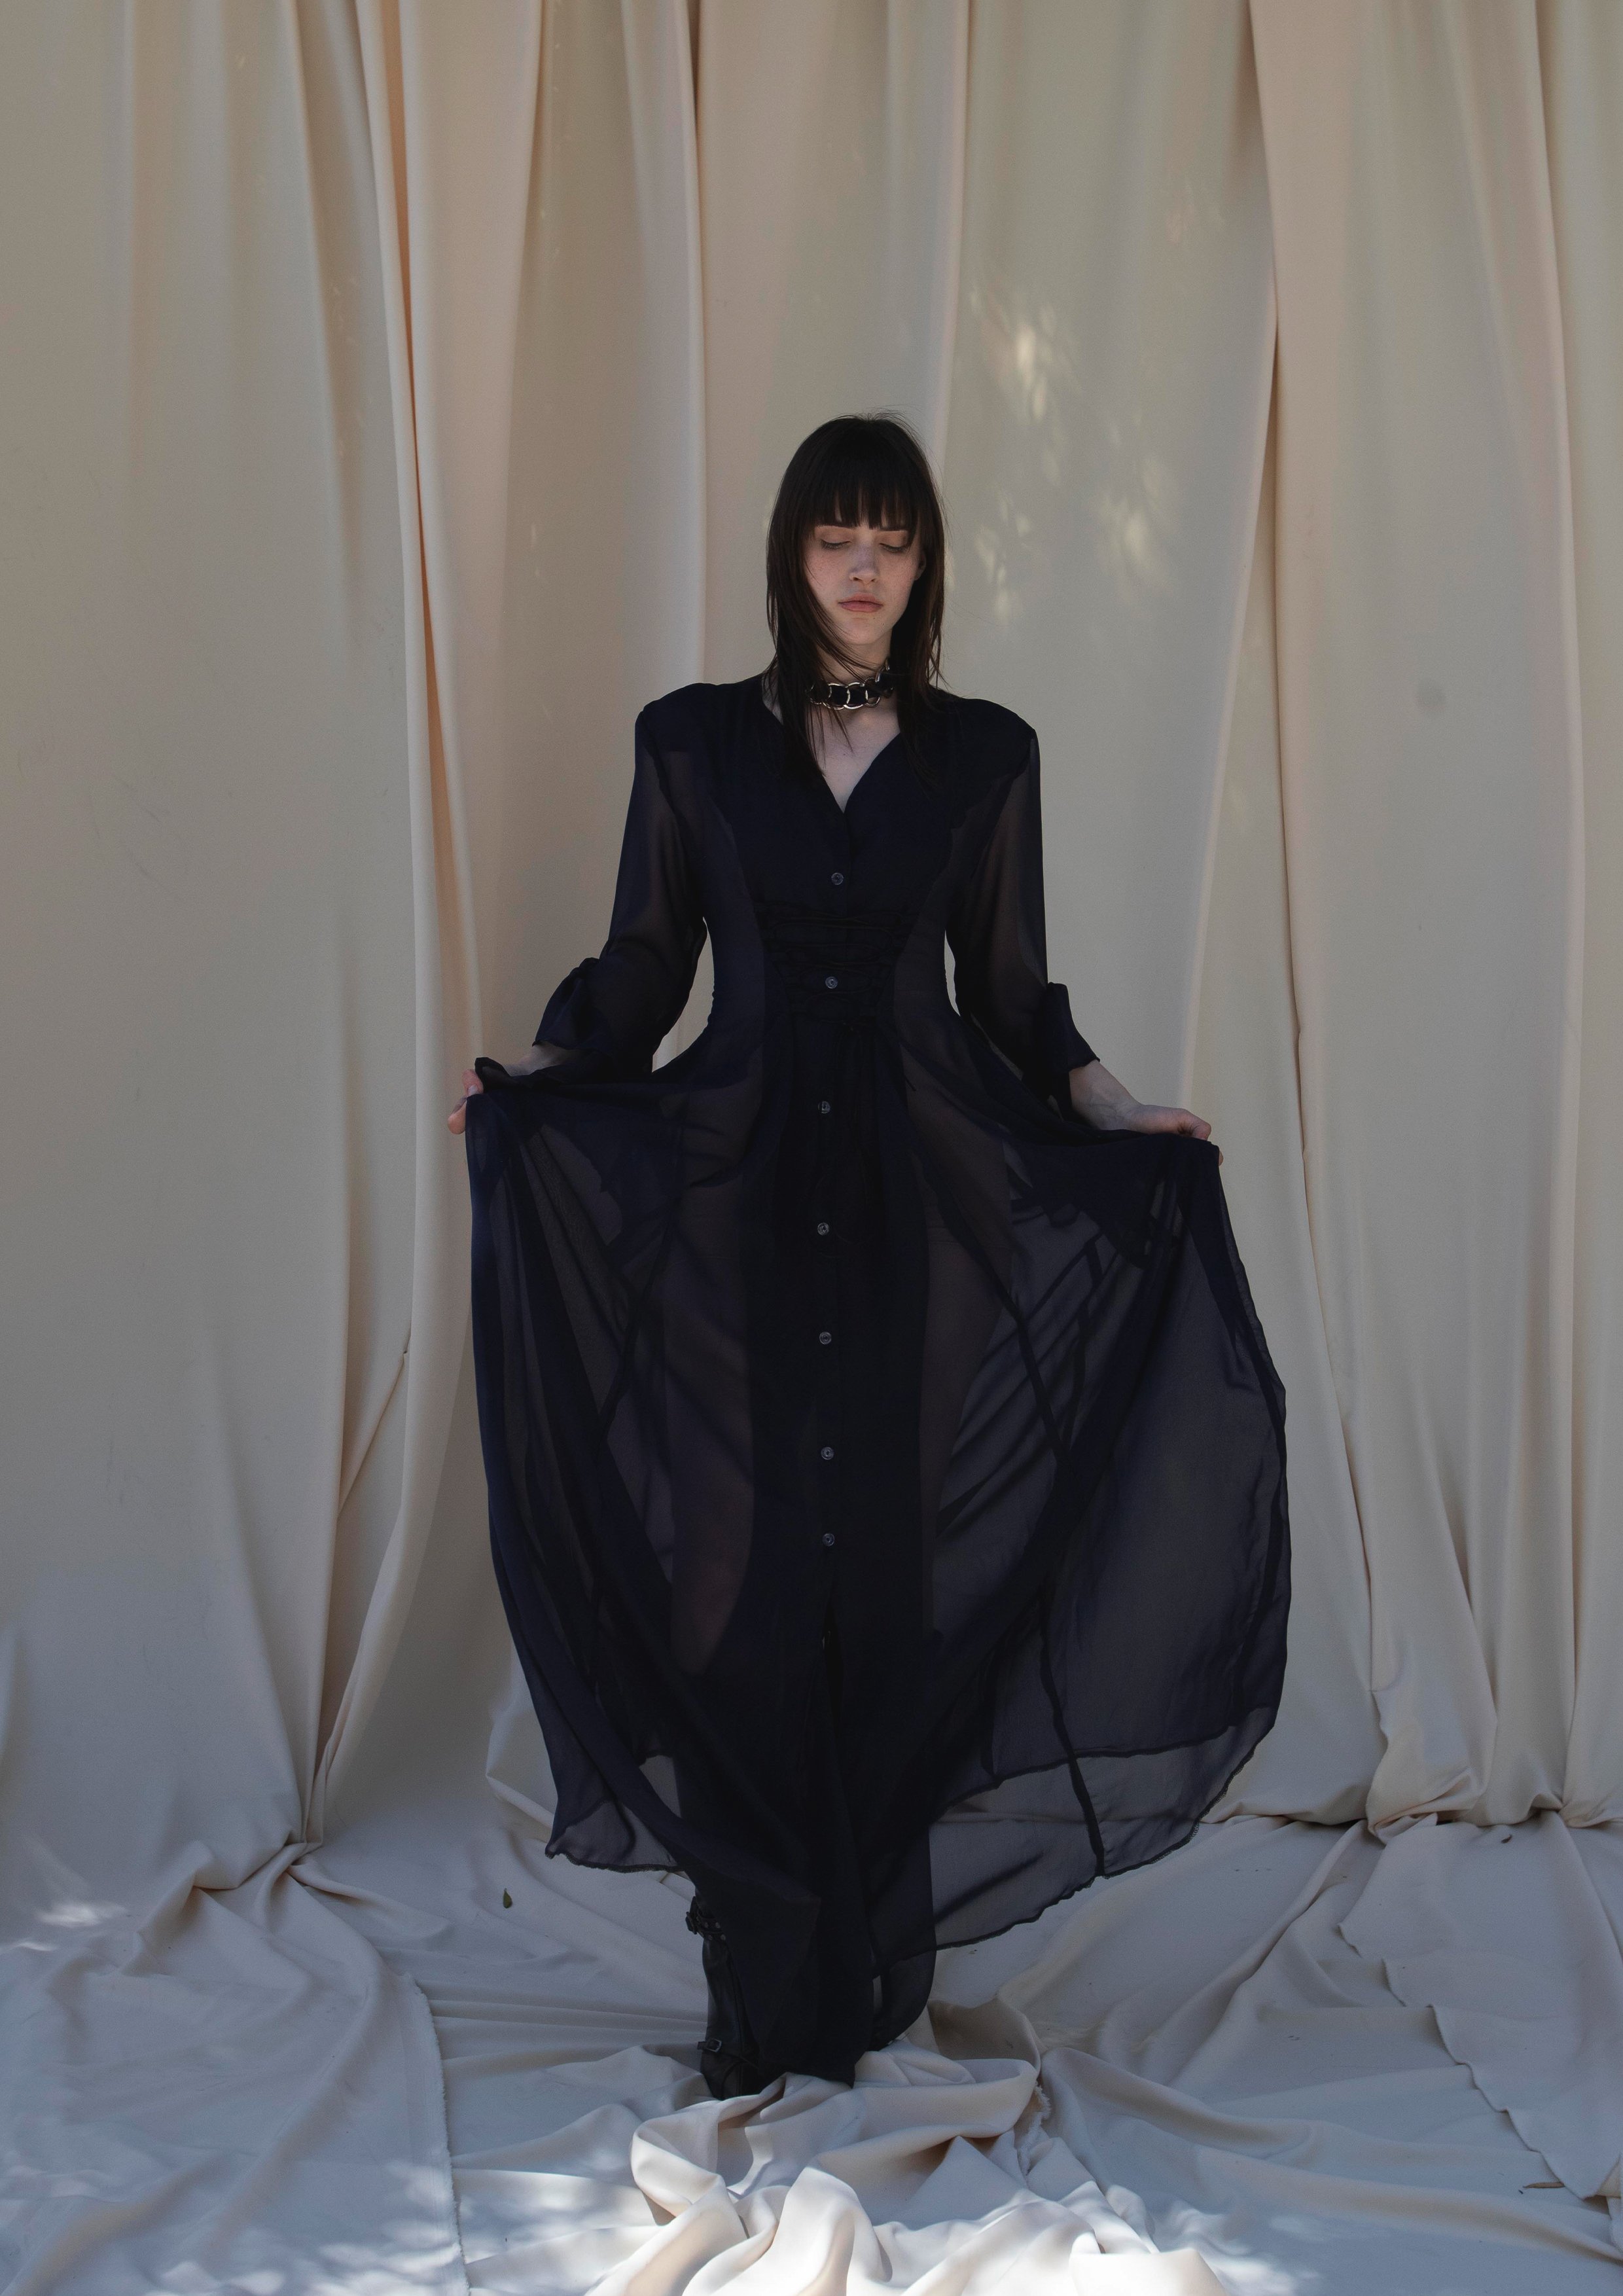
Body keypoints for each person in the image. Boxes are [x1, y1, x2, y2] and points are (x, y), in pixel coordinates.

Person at [450, 413, 1289, 2100]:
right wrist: (531, 1081)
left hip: (924, 1214)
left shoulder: (987, 758)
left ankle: (871, 1961)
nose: (861, 569)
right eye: (837, 537)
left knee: (890, 1568)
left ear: (924, 565)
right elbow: (639, 973)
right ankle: (754, 1966)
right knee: (740, 1572)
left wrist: (1125, 1113)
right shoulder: (691, 747)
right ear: (792, 555)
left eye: (891, 541)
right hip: (737, 1212)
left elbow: (1014, 999)